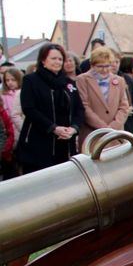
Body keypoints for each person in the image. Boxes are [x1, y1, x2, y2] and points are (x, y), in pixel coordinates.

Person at [15, 43, 84, 174]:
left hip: (65, 142)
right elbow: (29, 109)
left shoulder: (68, 83)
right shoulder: (31, 80)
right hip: (39, 143)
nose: (57, 62)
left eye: (60, 59)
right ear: (43, 60)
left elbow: (79, 109)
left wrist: (74, 128)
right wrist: (53, 128)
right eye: (53, 58)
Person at [75, 46, 131, 150]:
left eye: (108, 66)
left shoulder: (119, 80)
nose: (104, 70)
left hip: (116, 135)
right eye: (100, 66)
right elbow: (84, 106)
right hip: (93, 134)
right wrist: (104, 128)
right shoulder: (82, 80)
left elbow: (124, 106)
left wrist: (114, 126)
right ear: (92, 65)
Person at [1, 68, 23, 178]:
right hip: (11, 133)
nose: (10, 82)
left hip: (20, 130)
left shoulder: (23, 92)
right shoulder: (3, 96)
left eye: (13, 80)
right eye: (7, 80)